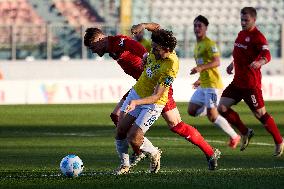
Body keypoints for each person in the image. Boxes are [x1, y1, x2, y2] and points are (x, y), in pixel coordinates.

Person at [84, 24, 221, 175]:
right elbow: (157, 30)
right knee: (119, 119)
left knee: (175, 125)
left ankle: (141, 149)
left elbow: (132, 44)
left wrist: (144, 57)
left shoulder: (120, 43)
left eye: (92, 46)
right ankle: (135, 154)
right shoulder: (152, 49)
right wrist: (143, 26)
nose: (93, 51)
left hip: (156, 92)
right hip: (141, 87)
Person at [217, 7, 283, 156]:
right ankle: (245, 132)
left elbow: (267, 53)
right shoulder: (241, 34)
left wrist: (260, 62)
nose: (243, 22)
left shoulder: (258, 37)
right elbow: (240, 54)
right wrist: (232, 64)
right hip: (237, 82)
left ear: (254, 20)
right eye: (241, 19)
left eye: (246, 20)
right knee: (221, 108)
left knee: (260, 114)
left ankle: (279, 140)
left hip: (251, 85)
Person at [188, 15, 241, 148]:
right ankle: (210, 107)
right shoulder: (197, 46)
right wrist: (200, 78)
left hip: (213, 85)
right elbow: (204, 66)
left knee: (212, 117)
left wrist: (200, 68)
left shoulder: (209, 44)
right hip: (204, 84)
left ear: (206, 28)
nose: (197, 28)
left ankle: (235, 136)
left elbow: (217, 62)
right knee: (192, 110)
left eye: (200, 25)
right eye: (195, 25)